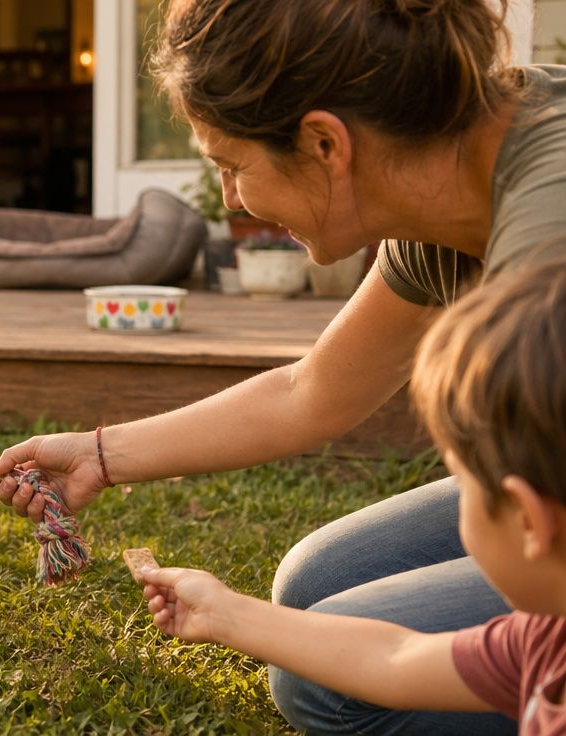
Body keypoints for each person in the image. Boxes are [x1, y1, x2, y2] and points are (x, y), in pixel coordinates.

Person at [0, 0, 566, 732]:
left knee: (321, 683)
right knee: (315, 584)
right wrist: (101, 456)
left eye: (231, 166)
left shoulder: (549, 250)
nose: (230, 199)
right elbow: (310, 391)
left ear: (325, 142)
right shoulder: (437, 178)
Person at [138, 258, 566, 735]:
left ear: (528, 520)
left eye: (462, 481)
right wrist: (223, 613)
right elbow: (395, 658)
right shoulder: (540, 639)